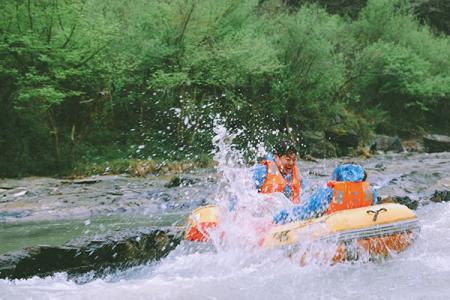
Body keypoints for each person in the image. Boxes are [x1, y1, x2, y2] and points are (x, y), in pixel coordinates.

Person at [273, 163, 377, 224]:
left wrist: (279, 218)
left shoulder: (329, 193)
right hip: (359, 225)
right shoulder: (371, 192)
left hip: (334, 228)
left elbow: (303, 212)